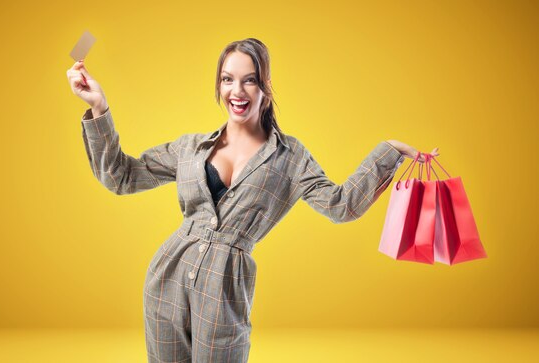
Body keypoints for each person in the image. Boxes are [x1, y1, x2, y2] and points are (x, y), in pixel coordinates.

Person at [66, 38, 438, 363]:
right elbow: (121, 177)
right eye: (227, 79)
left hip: (225, 287)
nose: (237, 91)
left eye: (249, 80)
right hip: (167, 277)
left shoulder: (289, 157)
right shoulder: (190, 148)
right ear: (218, 86)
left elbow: (341, 206)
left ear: (266, 86)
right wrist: (99, 107)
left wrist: (390, 151)